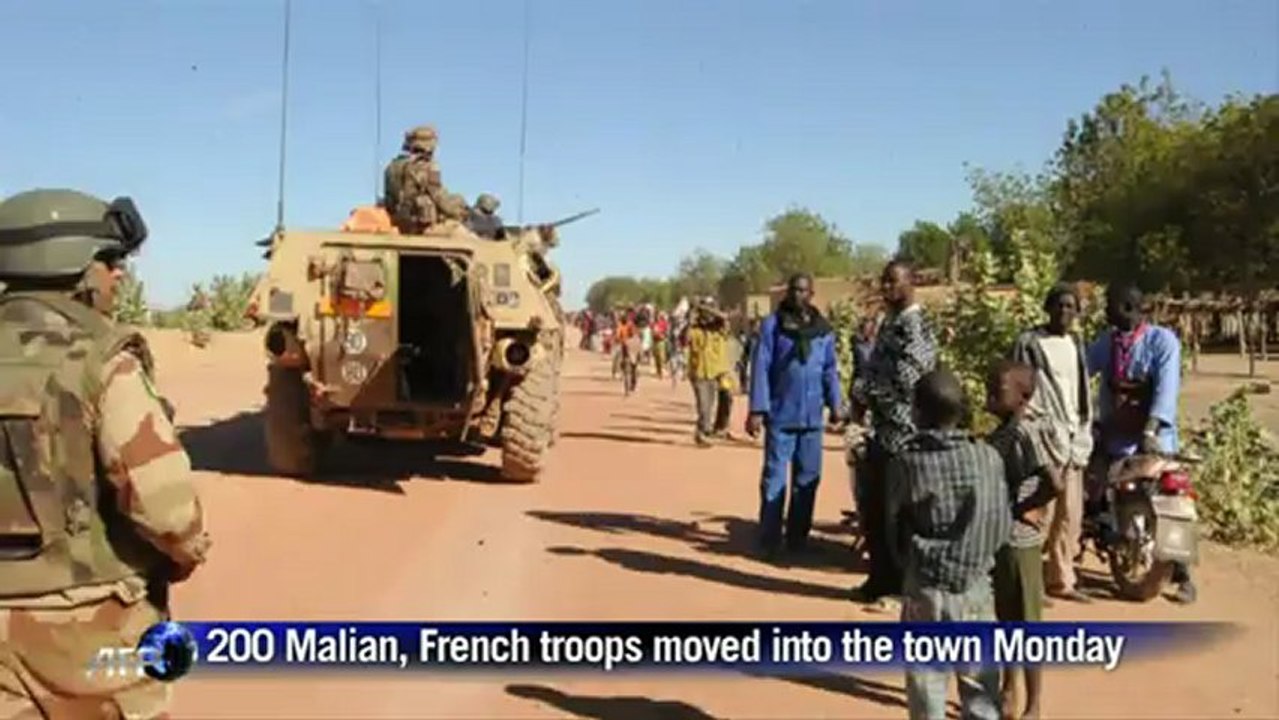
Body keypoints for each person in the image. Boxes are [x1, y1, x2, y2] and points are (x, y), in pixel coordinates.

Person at [0, 189, 211, 716]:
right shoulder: (101, 358)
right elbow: (168, 510)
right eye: (109, 261)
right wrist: (185, 553)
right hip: (87, 627)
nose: (118, 275)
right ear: (72, 265)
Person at [885, 369, 1007, 720]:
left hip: (926, 586)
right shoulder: (987, 458)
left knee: (927, 688)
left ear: (917, 412)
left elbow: (892, 526)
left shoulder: (906, 463)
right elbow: (1000, 524)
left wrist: (907, 565)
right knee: (981, 688)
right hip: (976, 586)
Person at [1087, 284, 1196, 604]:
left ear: (1128, 308)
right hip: (1115, 434)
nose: (1105, 311)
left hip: (1155, 437)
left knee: (1173, 500)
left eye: (1110, 305)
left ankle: (1183, 575)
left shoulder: (1163, 342)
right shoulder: (1106, 343)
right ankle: (1103, 527)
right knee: (1093, 481)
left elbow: (1167, 389)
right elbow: (1083, 370)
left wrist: (1151, 430)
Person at [849, 260, 938, 603]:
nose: (886, 288)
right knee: (875, 513)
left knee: (898, 517)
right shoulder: (892, 322)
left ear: (911, 283)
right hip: (883, 432)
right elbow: (875, 369)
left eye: (893, 282)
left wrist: (865, 393)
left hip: (904, 435)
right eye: (883, 281)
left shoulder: (913, 327)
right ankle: (880, 579)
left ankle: (902, 589)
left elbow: (908, 381)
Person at [747, 274, 844, 559]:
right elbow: (761, 367)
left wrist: (836, 404)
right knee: (775, 478)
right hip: (781, 414)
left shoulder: (823, 330)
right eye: (794, 290)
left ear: (812, 294)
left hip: (812, 418)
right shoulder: (772, 326)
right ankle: (769, 539)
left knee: (808, 478)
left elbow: (829, 369)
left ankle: (798, 538)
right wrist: (757, 409)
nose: (798, 295)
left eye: (803, 290)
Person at [985, 361, 1062, 720]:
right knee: (1006, 619)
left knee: (1027, 624)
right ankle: (1008, 687)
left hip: (1022, 542)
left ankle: (1034, 704)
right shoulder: (1003, 432)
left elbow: (1054, 483)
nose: (989, 394)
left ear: (1023, 397)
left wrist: (1022, 507)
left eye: (997, 389)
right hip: (1003, 540)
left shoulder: (1023, 435)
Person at [1011, 283, 1094, 603]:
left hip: (1073, 436)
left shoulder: (1075, 343)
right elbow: (1018, 387)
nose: (1064, 312)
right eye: (1059, 305)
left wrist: (1084, 426)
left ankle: (1061, 580)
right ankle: (1030, 580)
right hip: (1044, 436)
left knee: (1069, 514)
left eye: (1071, 306)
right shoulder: (1030, 343)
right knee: (1038, 511)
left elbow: (1081, 390)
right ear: (1047, 308)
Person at [383, 125, 460, 234]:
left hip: (397, 223)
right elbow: (439, 197)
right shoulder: (426, 165)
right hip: (421, 226)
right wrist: (458, 212)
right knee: (460, 231)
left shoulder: (391, 167)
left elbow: (389, 200)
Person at [686, 299, 733, 447]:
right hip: (699, 373)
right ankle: (702, 432)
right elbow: (684, 337)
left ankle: (718, 428)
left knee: (725, 399)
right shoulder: (695, 331)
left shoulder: (720, 330)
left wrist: (703, 307)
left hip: (717, 373)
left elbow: (724, 318)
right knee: (704, 406)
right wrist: (694, 314)